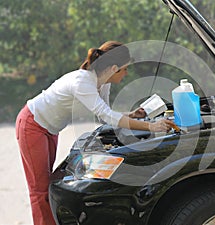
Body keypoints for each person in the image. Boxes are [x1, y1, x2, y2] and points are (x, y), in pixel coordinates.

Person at [15, 41, 175, 225]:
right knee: (40, 189)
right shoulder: (83, 82)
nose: (126, 73)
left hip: (50, 129)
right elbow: (107, 115)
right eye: (124, 69)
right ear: (114, 68)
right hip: (32, 125)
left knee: (50, 183)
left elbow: (105, 116)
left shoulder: (103, 83)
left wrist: (131, 116)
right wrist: (151, 127)